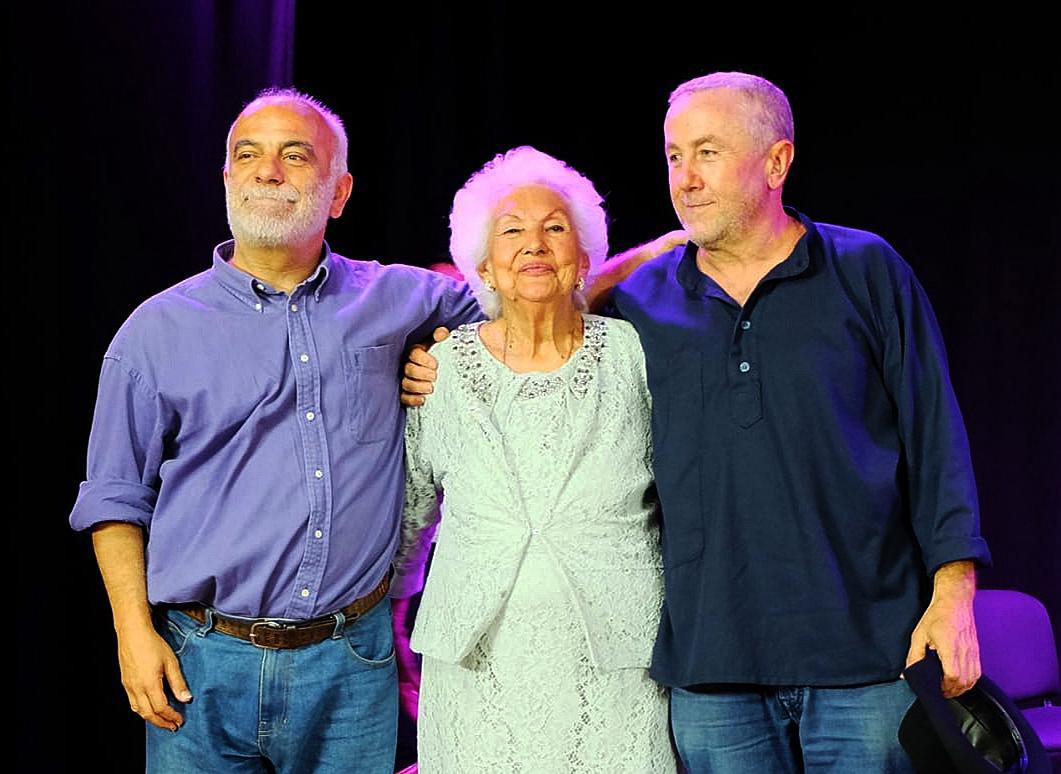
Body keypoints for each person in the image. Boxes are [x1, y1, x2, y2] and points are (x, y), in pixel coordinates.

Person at [403, 73, 991, 772]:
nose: (685, 177)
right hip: (713, 672)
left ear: (776, 161)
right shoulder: (644, 302)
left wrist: (954, 593)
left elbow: (934, 439)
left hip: (866, 654)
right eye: (674, 156)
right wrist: (442, 356)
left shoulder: (865, 269)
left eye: (708, 152)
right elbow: (547, 303)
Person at [68, 88, 482, 773]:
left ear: (339, 192)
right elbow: (114, 498)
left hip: (352, 665)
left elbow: (535, 307)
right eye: (248, 155)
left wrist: (448, 353)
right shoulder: (153, 332)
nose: (267, 171)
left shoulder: (400, 298)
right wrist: (132, 635)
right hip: (201, 664)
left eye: (295, 155)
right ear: (227, 178)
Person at [391, 146, 677, 772]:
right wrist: (393, 618)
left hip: (618, 663)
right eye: (512, 231)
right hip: (475, 663)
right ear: (483, 267)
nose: (535, 245)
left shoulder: (636, 356)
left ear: (584, 259)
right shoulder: (440, 370)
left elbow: (682, 489)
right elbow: (413, 510)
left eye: (554, 228)